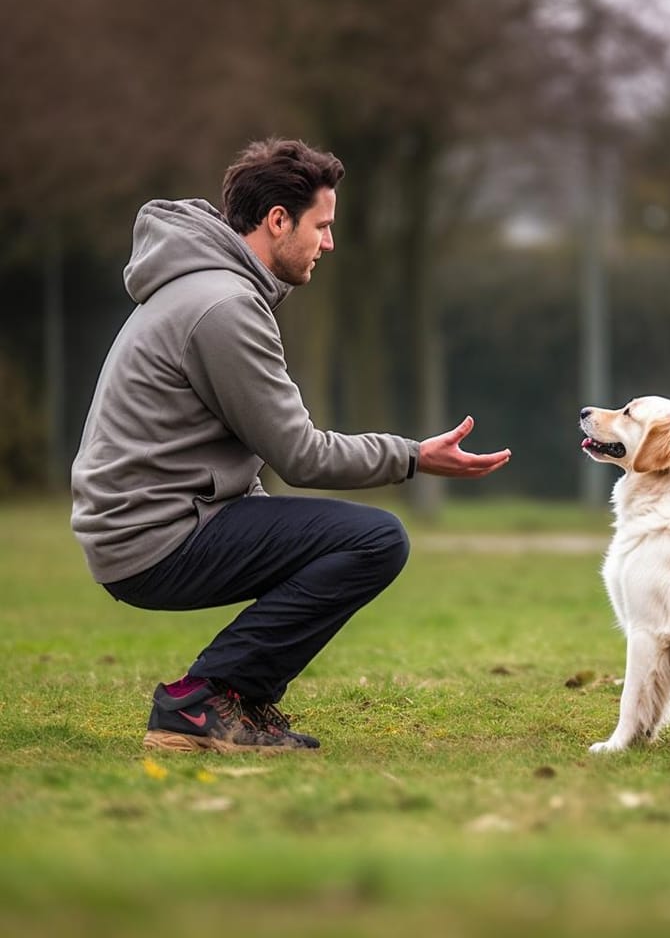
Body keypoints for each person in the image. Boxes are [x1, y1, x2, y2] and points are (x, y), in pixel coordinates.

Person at [70, 137, 511, 754]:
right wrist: (413, 456)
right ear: (278, 221)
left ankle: (235, 702)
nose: (329, 243)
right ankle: (207, 699)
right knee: (375, 539)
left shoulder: (205, 289)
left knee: (347, 536)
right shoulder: (223, 306)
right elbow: (301, 456)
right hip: (151, 537)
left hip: (147, 524)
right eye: (322, 225)